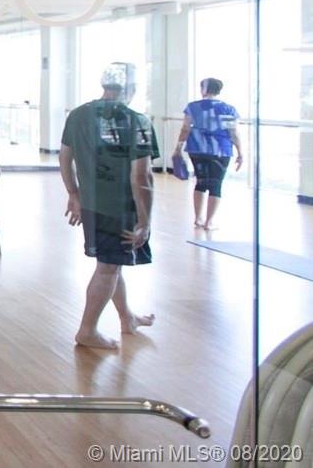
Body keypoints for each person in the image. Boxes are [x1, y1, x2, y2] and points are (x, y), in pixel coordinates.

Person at [60, 62, 157, 350]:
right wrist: (144, 221)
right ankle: (87, 330)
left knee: (112, 263)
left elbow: (65, 157)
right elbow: (142, 176)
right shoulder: (137, 121)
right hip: (119, 207)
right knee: (108, 268)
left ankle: (127, 318)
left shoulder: (78, 114)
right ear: (131, 88)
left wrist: (74, 193)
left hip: (91, 202)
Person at [174, 77, 243, 231]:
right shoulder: (228, 109)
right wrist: (240, 152)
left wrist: (178, 148)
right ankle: (209, 222)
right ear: (219, 90)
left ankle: (198, 218)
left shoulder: (192, 107)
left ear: (203, 89)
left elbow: (185, 129)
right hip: (221, 150)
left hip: (197, 149)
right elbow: (233, 133)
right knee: (216, 184)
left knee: (200, 182)